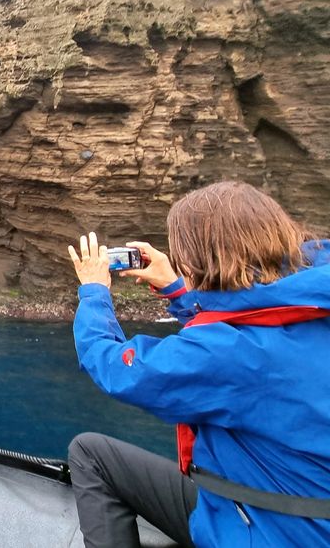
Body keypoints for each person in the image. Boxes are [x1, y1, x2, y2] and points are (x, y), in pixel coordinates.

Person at [65, 181, 330, 547]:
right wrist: (178, 290)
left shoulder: (232, 354)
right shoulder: (313, 302)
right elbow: (259, 314)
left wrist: (94, 291)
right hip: (305, 509)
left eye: (183, 255)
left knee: (90, 453)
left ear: (202, 259)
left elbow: (119, 369)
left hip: (277, 531)